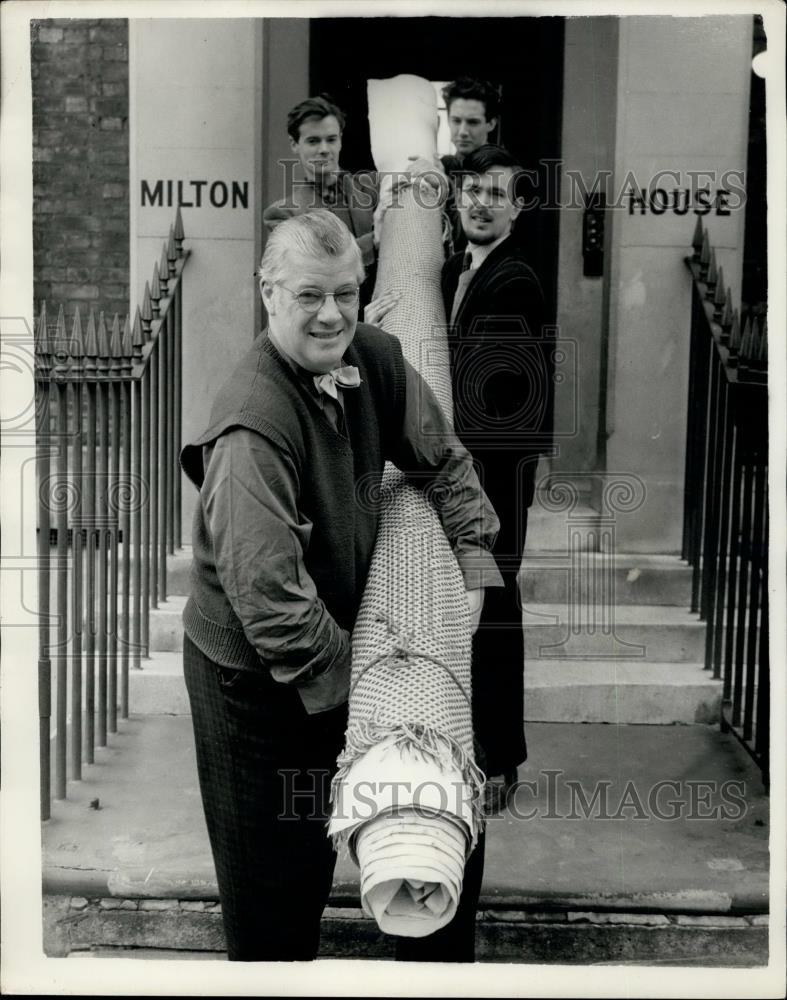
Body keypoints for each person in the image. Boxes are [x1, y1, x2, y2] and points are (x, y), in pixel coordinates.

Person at [180, 209, 504, 962]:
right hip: (252, 684)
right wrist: (381, 699)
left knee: (442, 844)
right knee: (275, 901)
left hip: (337, 648)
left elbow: (445, 463)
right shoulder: (251, 427)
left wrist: (475, 564)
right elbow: (273, 607)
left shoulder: (375, 358)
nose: (332, 315)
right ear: (268, 293)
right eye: (308, 296)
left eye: (347, 294)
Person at [442, 144, 554, 807]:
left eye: (494, 193)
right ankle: (485, 751)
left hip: (494, 480)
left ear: (515, 207)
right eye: (471, 191)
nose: (480, 202)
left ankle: (496, 759)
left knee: (491, 608)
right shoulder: (466, 267)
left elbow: (478, 388)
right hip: (478, 477)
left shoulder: (514, 280)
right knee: (481, 606)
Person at [263, 95, 379, 299]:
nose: (324, 149)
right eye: (313, 141)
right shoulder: (283, 214)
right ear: (294, 144)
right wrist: (377, 239)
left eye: (331, 139)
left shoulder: (372, 187)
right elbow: (323, 264)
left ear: (341, 140)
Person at [440, 78, 501, 255]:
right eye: (456, 121)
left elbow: (471, 237)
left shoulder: (503, 172)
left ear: (491, 123)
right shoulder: (443, 167)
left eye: (472, 122)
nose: (463, 132)